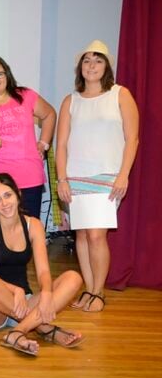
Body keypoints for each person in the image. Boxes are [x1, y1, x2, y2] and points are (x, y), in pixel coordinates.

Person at [55, 40, 139, 313]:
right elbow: (62, 144)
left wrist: (123, 175)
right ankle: (89, 290)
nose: (92, 66)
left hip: (107, 177)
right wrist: (62, 179)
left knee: (96, 236)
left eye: (98, 60)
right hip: (75, 177)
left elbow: (132, 139)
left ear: (107, 67)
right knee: (81, 236)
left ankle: (98, 293)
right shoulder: (71, 100)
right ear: (80, 67)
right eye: (87, 61)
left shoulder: (120, 94)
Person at [0, 173, 84, 356]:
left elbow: (43, 271)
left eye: (8, 195)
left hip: (24, 303)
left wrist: (47, 292)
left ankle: (18, 332)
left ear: (18, 195)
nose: (5, 203)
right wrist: (16, 290)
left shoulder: (34, 225)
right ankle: (43, 328)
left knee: (73, 277)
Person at [0, 56, 56, 217]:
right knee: (1, 232)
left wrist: (43, 143)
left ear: (7, 75)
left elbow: (49, 114)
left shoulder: (25, 95)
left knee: (29, 228)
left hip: (29, 175)